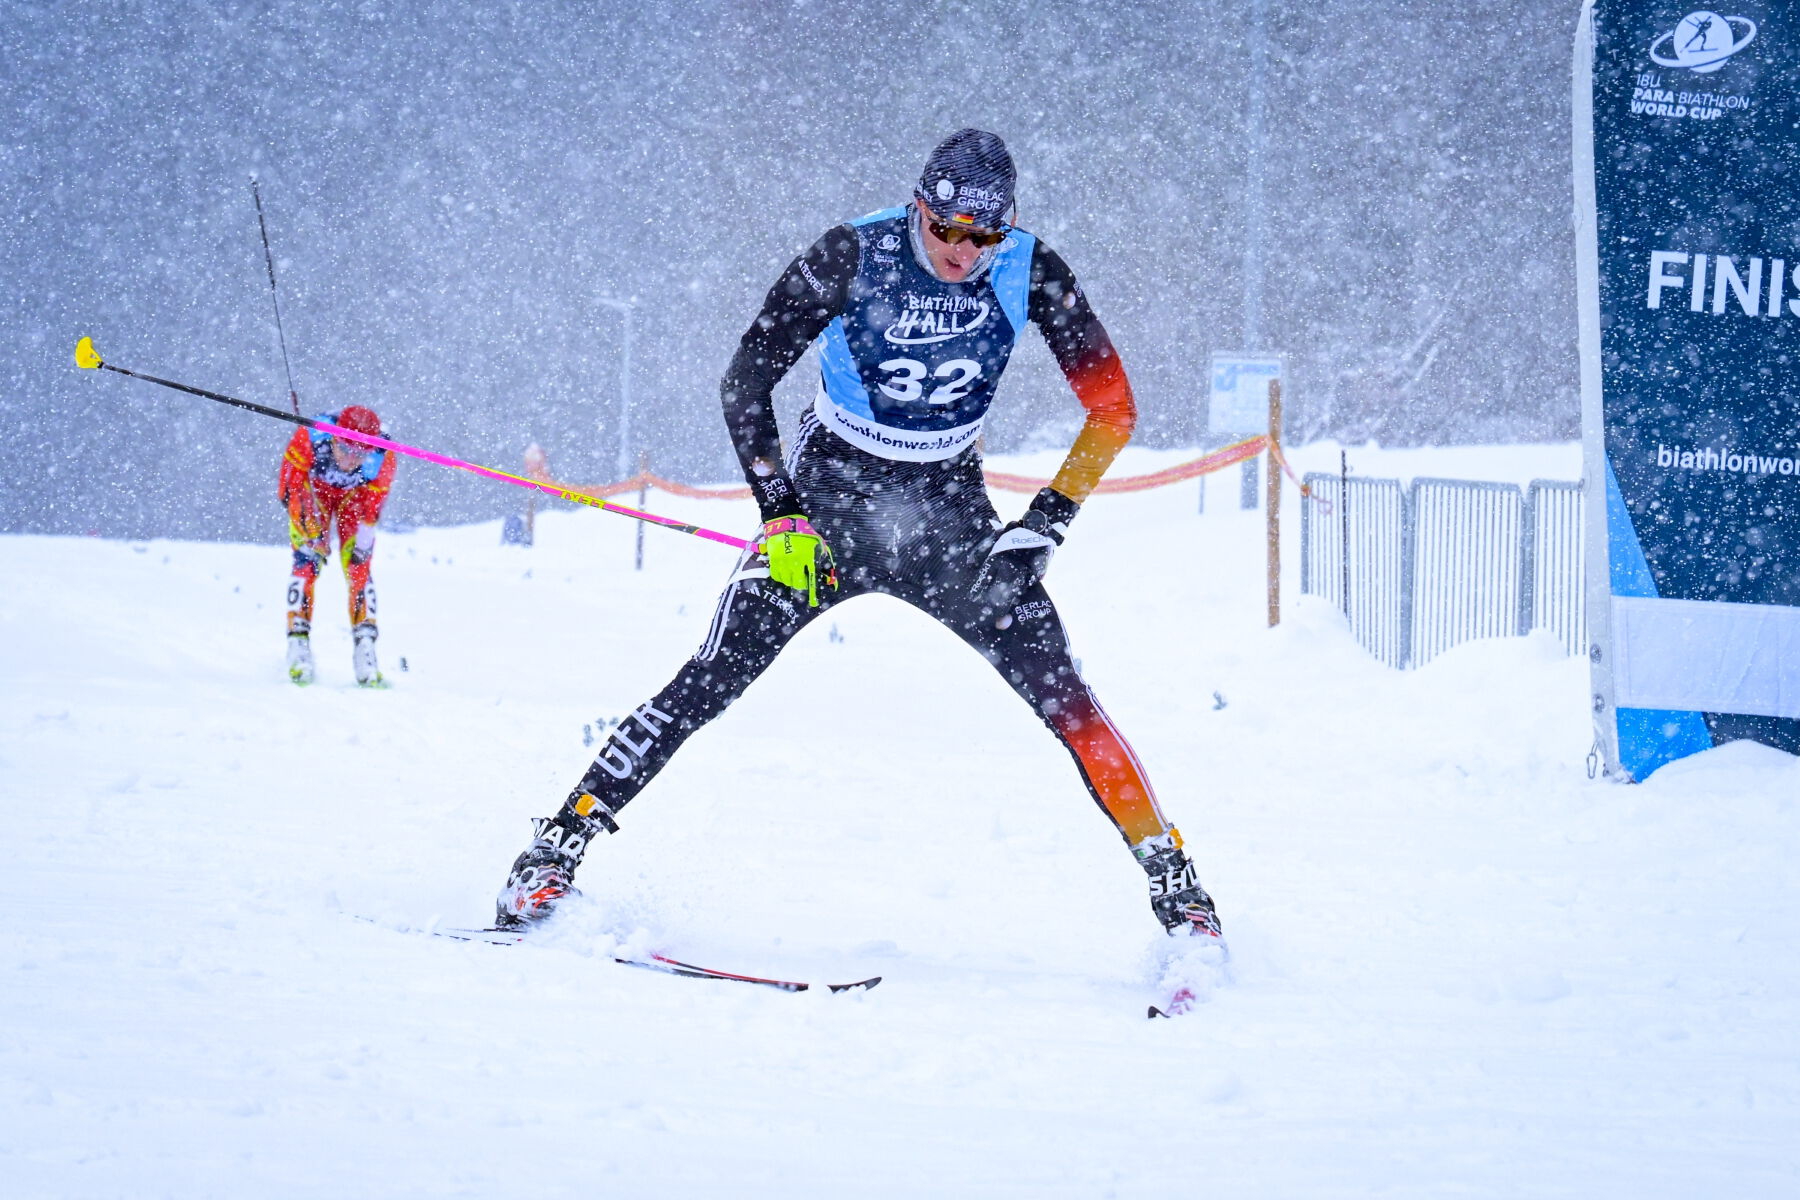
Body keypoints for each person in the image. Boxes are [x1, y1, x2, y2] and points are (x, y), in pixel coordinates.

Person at [496, 129, 1222, 945]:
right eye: (945, 229)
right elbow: (747, 375)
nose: (960, 251)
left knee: (1067, 699)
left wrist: (1046, 523)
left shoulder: (1031, 267)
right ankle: (551, 854)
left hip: (948, 518)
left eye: (981, 236)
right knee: (709, 679)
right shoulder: (854, 252)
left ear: (1005, 227)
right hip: (831, 503)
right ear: (921, 206)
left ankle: (1183, 897)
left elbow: (1114, 409)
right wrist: (781, 513)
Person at [278, 404, 396, 687]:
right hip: (312, 493)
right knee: (307, 560)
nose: (349, 460)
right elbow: (289, 488)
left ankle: (365, 649)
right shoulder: (310, 438)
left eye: (360, 454)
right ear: (334, 439)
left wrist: (363, 544)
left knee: (359, 568)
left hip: (353, 500)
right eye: (344, 449)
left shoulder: (382, 457)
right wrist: (310, 532)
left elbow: (373, 508)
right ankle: (298, 644)